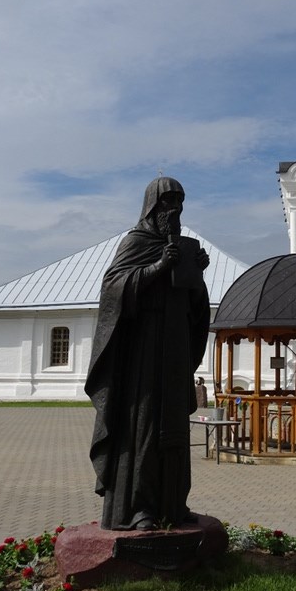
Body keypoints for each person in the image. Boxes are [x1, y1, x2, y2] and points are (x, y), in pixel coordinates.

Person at [85, 176, 210, 530]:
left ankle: (173, 504)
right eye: (168, 203)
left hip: (175, 349)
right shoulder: (135, 242)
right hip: (142, 352)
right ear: (153, 207)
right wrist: (158, 268)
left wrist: (195, 274)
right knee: (144, 428)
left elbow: (196, 308)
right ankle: (140, 508)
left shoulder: (183, 248)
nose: (175, 211)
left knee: (174, 431)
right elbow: (113, 290)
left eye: (180, 204)